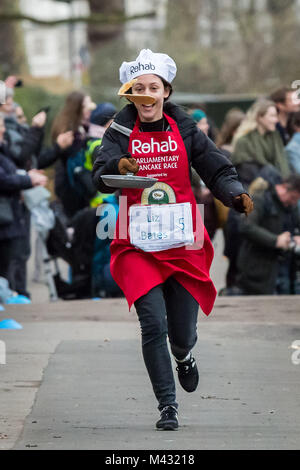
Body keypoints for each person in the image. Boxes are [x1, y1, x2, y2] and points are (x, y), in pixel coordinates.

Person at [92, 49, 252, 431]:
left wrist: (233, 192)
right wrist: (118, 165)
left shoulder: (184, 128)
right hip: (136, 242)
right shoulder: (118, 131)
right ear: (130, 93)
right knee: (153, 325)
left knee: (181, 335)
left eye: (154, 88)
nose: (146, 95)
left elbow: (216, 167)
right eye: (138, 89)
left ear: (166, 91)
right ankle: (168, 406)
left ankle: (184, 356)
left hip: (181, 239)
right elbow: (98, 175)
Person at [0, 115, 47, 283]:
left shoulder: (4, 150)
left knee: (14, 256)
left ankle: (13, 293)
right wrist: (28, 180)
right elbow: (3, 179)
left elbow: (11, 172)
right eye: (0, 126)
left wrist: (28, 176)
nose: (4, 130)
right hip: (5, 216)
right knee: (10, 259)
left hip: (11, 215)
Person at [235, 175, 300, 295]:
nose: (293, 202)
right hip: (258, 272)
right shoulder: (261, 199)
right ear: (284, 188)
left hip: (284, 270)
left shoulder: (292, 207)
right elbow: (246, 226)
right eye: (293, 197)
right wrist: (275, 241)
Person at [51, 91, 96, 218]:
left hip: (75, 180)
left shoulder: (80, 126)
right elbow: (69, 153)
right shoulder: (68, 129)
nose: (90, 109)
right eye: (86, 106)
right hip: (70, 183)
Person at [231, 99, 291, 188]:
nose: (276, 120)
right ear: (260, 117)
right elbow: (244, 174)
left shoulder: (275, 136)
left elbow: (282, 162)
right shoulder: (243, 141)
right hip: (254, 191)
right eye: (272, 116)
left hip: (278, 186)